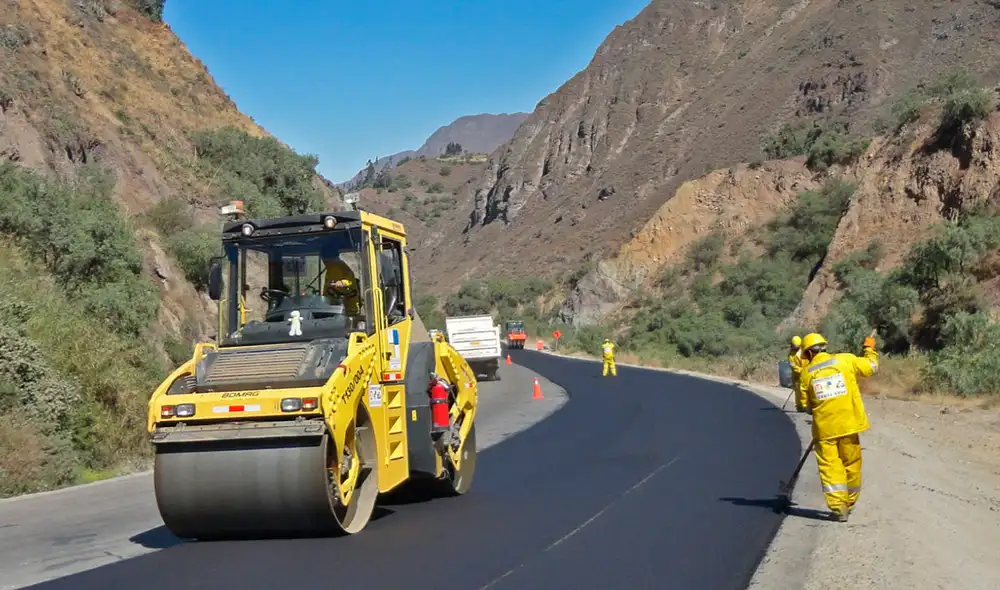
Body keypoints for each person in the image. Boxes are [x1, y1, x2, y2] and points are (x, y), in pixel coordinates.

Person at [796, 331, 879, 522]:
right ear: (825, 347)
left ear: (808, 354)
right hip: (849, 425)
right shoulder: (845, 360)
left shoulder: (806, 374)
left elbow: (804, 406)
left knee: (830, 468)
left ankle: (838, 507)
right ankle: (849, 502)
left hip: (825, 431)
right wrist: (869, 348)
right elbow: (871, 367)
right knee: (852, 464)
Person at [787, 335, 809, 412]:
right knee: (798, 390)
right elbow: (793, 366)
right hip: (797, 375)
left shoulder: (805, 351)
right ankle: (800, 406)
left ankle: (808, 405)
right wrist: (801, 371)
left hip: (808, 373)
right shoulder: (791, 355)